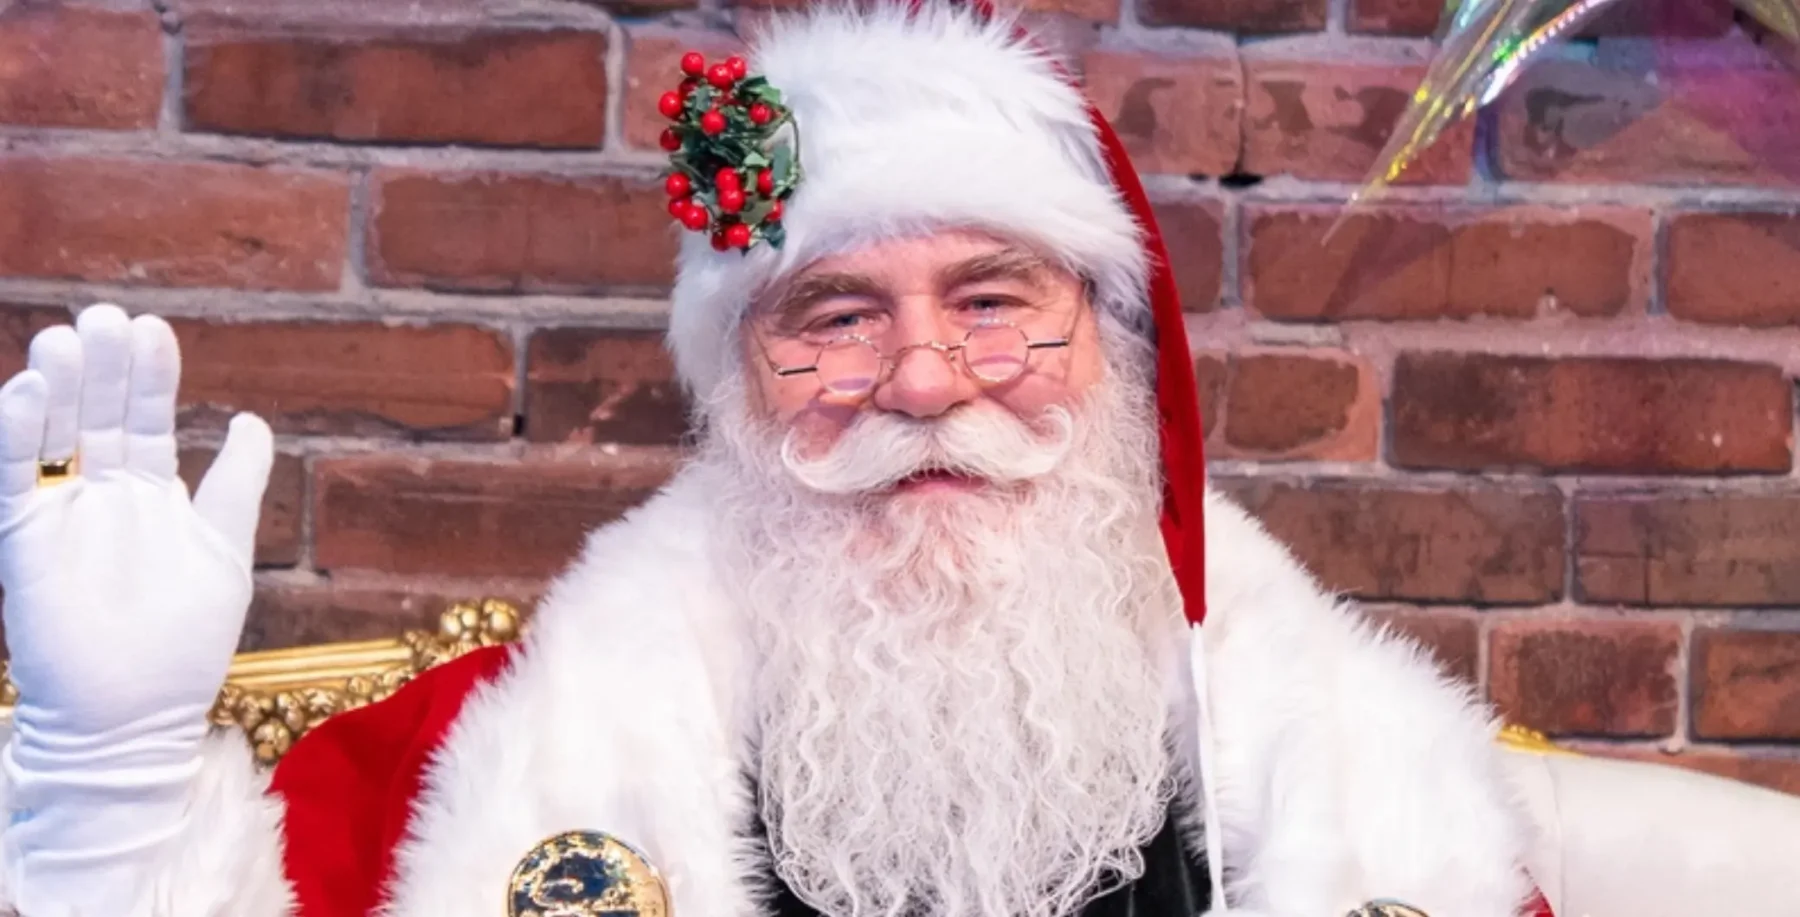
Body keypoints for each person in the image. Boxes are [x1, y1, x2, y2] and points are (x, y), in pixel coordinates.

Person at [0, 3, 1551, 915]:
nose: (927, 382)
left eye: (998, 305)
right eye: (833, 319)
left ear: (1121, 357)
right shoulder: (491, 751)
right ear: (736, 383)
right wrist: (106, 773)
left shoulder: (1358, 786)